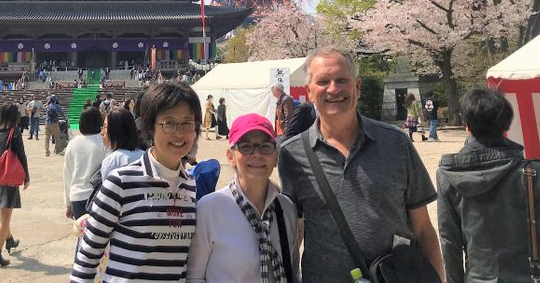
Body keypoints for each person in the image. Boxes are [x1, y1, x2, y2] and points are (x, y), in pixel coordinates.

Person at [278, 46, 444, 283]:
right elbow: (296, 231)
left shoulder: (395, 143)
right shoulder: (292, 154)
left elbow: (423, 228)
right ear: (309, 91)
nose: (333, 89)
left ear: (357, 87)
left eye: (342, 80)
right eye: (323, 81)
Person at [437, 88, 540, 282]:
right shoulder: (531, 173)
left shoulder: (448, 175)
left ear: (467, 126)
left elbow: (449, 242)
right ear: (507, 126)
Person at [71, 82, 201, 282]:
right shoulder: (120, 183)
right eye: (168, 123)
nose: (179, 132)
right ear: (150, 127)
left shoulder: (191, 186)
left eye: (187, 123)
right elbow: (88, 256)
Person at [188, 113, 300, 282]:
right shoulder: (210, 209)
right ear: (230, 156)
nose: (257, 154)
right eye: (246, 147)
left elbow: (292, 272)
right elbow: (194, 278)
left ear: (275, 156)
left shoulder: (286, 209)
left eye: (265, 147)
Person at [0, 102, 30, 269]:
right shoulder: (15, 132)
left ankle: (10, 240)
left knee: (4, 211)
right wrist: (26, 176)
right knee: (5, 217)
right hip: (8, 176)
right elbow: (21, 155)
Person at [63, 107, 105, 221]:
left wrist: (68, 203)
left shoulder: (72, 143)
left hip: (77, 196)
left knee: (82, 235)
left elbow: (67, 175)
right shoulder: (103, 141)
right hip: (98, 196)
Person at [100, 108, 143, 180]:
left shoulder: (111, 161)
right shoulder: (145, 156)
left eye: (105, 126)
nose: (102, 132)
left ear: (116, 130)